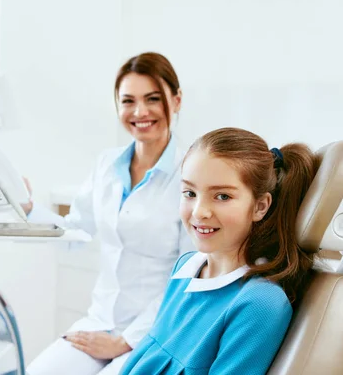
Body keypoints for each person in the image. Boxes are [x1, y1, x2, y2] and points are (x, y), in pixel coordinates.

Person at [25, 52, 194, 375]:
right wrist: (29, 209)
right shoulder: (107, 164)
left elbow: (187, 276)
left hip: (157, 331)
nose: (140, 112)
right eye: (128, 101)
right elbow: (75, 234)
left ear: (176, 100)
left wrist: (127, 341)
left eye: (153, 99)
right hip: (101, 321)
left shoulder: (190, 173)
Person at [119, 127, 319, 374]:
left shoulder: (259, 302)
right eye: (190, 193)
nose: (199, 212)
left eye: (222, 196)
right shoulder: (186, 267)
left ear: (259, 206)